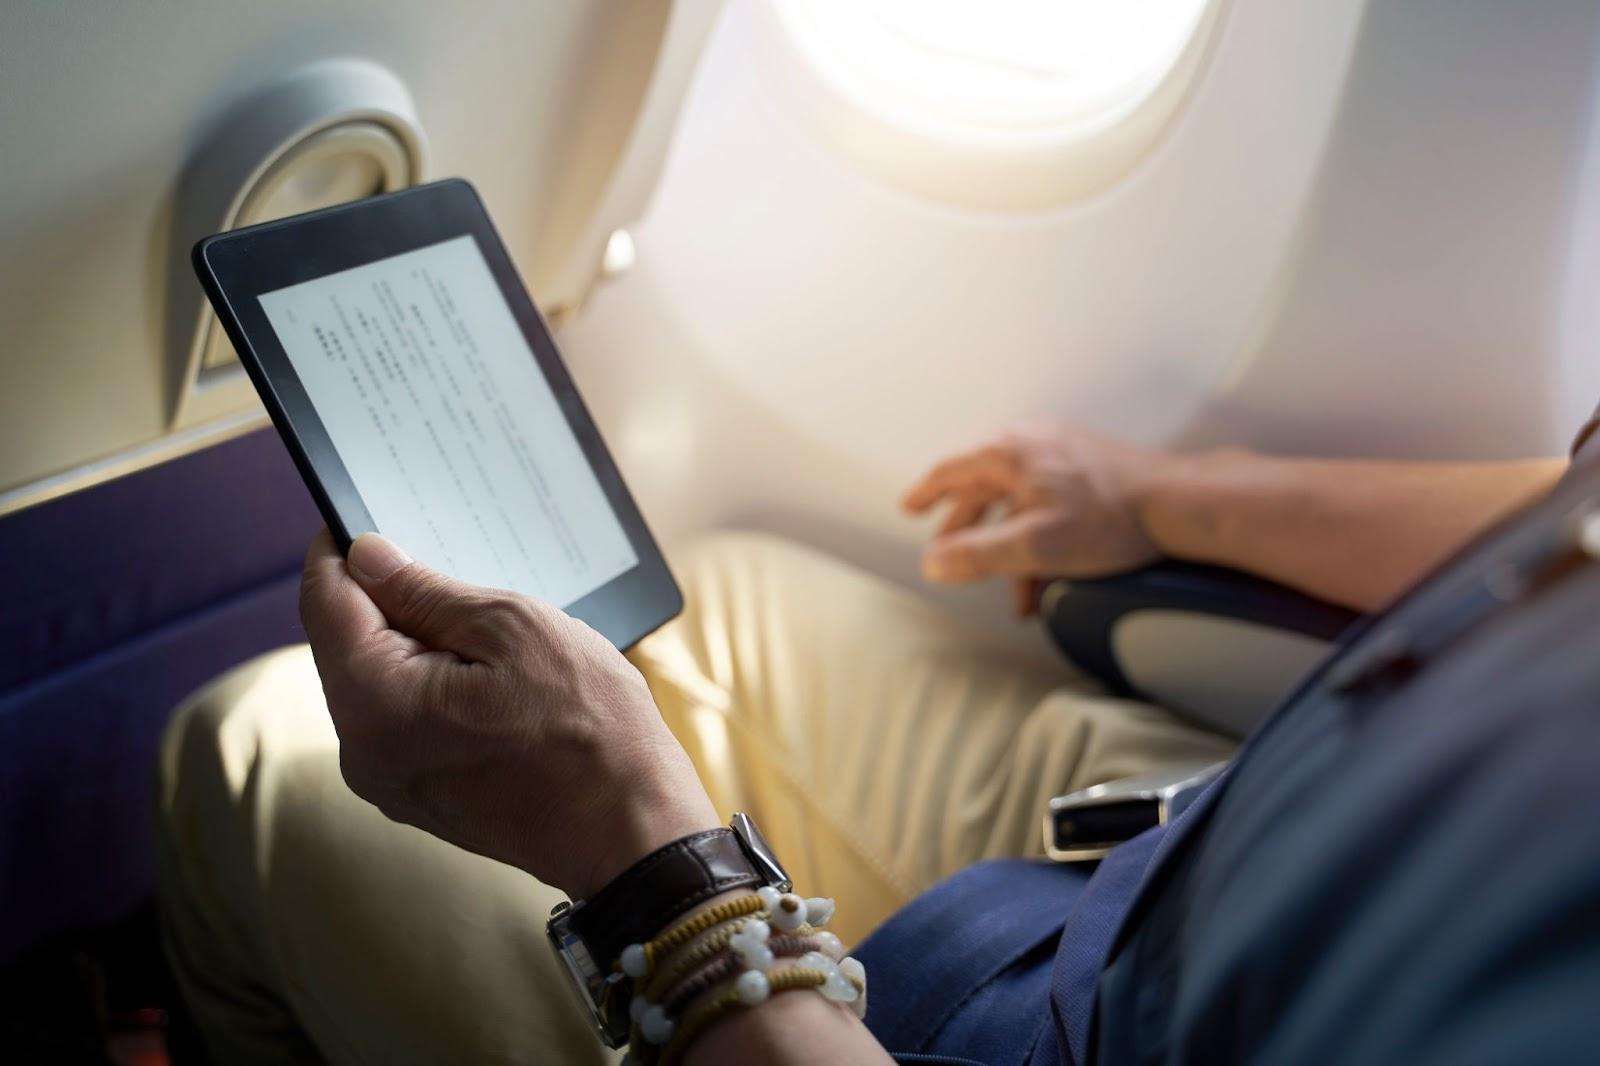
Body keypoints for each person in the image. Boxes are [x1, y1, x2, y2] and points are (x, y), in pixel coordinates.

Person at [155, 422, 1578, 1064]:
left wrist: (665, 883)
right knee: (720, 601)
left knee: (255, 743)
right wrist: (1171, 496)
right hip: (1193, 838)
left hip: (1110, 1019)